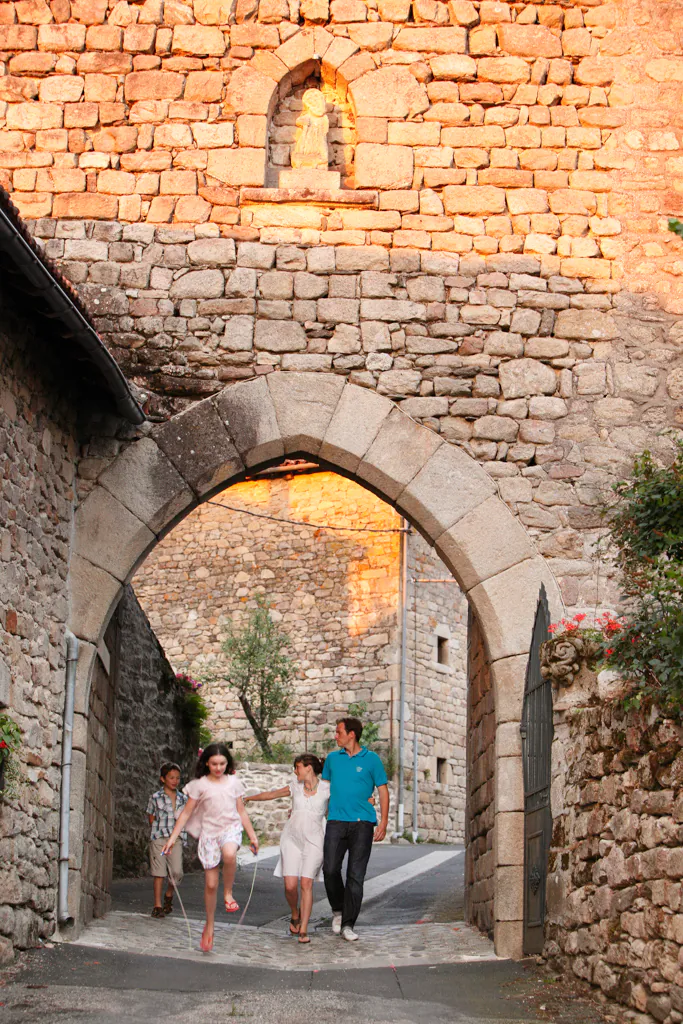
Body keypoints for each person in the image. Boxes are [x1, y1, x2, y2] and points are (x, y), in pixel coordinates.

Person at [162, 742, 259, 953]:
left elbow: (241, 811)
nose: (218, 768)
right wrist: (172, 839)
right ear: (207, 763)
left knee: (230, 853)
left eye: (222, 763)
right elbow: (186, 813)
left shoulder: (234, 783)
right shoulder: (199, 785)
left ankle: (228, 893)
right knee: (210, 884)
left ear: (227, 763)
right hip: (209, 834)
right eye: (214, 764)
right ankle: (210, 925)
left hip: (230, 829)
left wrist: (252, 836)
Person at [245, 753, 329, 945]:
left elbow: (345, 801)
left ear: (308, 768)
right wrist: (248, 798)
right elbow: (272, 794)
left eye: (297, 767)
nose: (294, 771)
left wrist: (367, 801)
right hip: (291, 839)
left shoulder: (327, 788)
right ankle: (295, 913)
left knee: (306, 884)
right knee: (290, 885)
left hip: (315, 841)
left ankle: (304, 929)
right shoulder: (295, 787)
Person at [322, 717, 389, 943]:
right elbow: (323, 790)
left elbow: (382, 791)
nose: (335, 735)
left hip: (363, 824)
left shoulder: (371, 760)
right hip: (336, 821)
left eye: (338, 731)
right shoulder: (332, 759)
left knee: (355, 875)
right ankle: (338, 910)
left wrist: (384, 823)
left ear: (352, 734)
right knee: (330, 869)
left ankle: (348, 924)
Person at [146, 761, 188, 919]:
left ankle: (169, 894)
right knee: (159, 873)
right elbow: (151, 817)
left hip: (176, 839)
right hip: (159, 838)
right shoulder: (155, 798)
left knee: (177, 872)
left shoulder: (183, 799)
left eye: (177, 778)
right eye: (171, 777)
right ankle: (157, 905)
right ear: (163, 779)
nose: (175, 781)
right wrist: (158, 830)